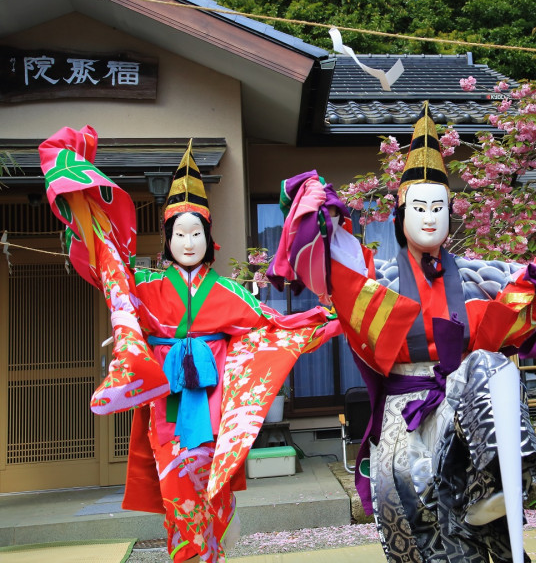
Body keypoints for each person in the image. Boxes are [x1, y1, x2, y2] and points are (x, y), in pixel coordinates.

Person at [267, 103, 536, 563]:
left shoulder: (481, 276)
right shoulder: (378, 278)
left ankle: (500, 481)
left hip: (465, 414)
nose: (429, 217)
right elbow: (333, 264)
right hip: (405, 420)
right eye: (419, 207)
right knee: (427, 545)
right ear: (400, 214)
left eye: (439, 207)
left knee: (489, 365)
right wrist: (313, 207)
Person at [39, 126, 340, 563]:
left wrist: (332, 317)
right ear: (166, 239)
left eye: (195, 233)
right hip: (168, 410)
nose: (188, 241)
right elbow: (110, 278)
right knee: (178, 500)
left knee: (215, 500)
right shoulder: (144, 285)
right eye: (179, 233)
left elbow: (274, 326)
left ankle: (213, 553)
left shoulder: (229, 293)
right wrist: (87, 220)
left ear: (208, 239)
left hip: (216, 413)